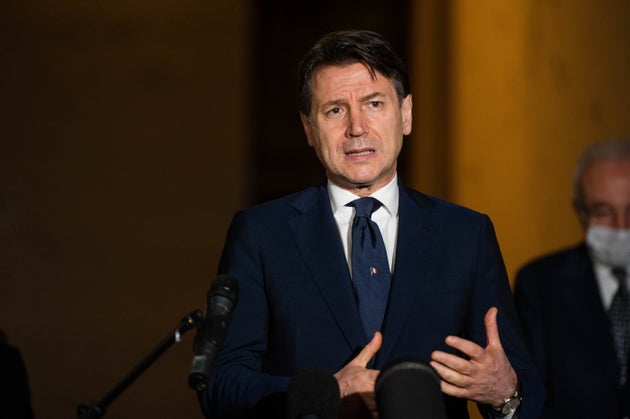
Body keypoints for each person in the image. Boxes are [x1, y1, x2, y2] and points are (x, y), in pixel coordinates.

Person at [200, 29, 543, 418]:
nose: (356, 127)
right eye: (335, 110)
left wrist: (505, 392)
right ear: (309, 130)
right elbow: (220, 387)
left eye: (374, 103)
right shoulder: (261, 234)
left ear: (406, 114)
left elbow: (528, 401)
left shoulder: (466, 234)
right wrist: (326, 392)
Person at [514, 138, 630, 418]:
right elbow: (532, 399)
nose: (621, 227)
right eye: (604, 212)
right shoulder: (540, 285)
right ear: (580, 211)